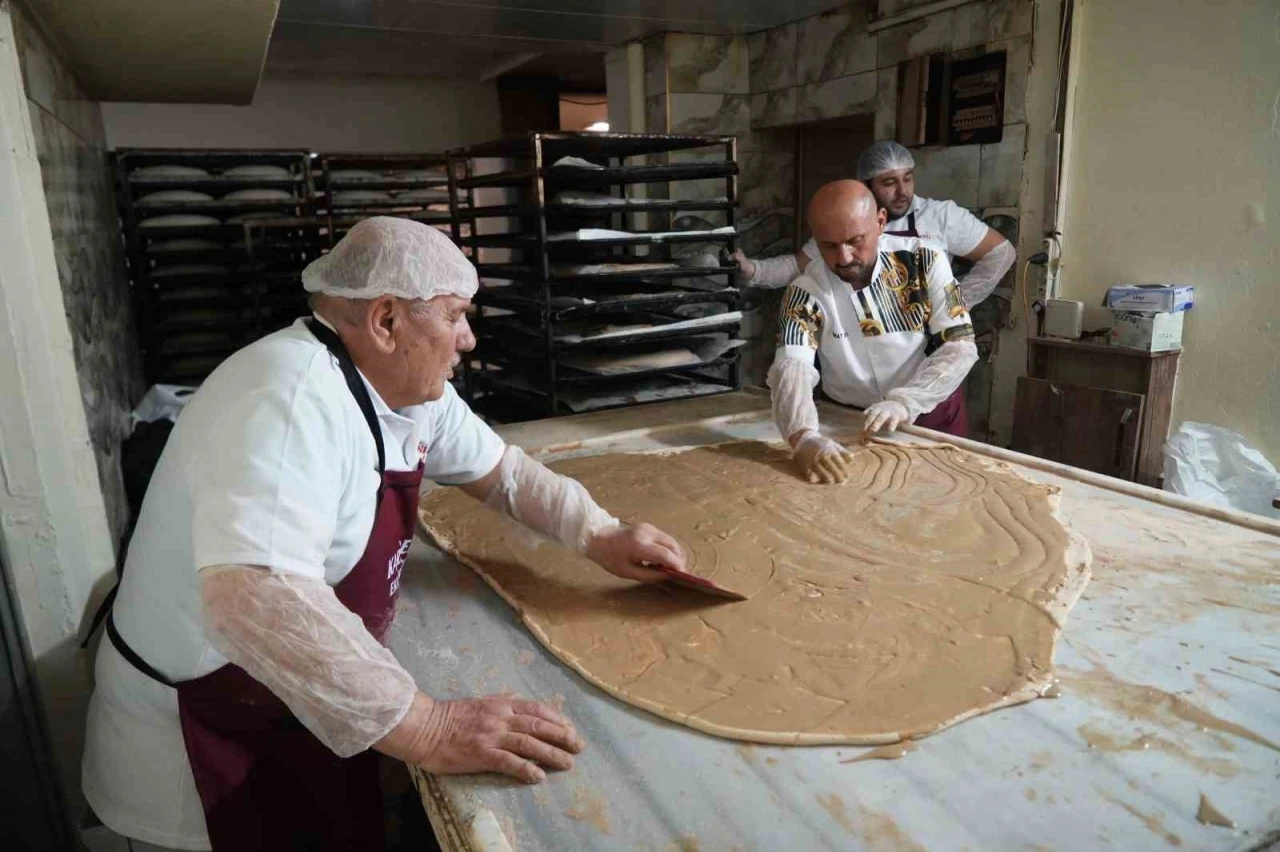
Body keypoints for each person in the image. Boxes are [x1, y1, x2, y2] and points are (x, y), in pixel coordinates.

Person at [80, 217, 689, 851]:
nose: (469, 339)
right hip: (195, 745)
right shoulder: (288, 398)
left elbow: (502, 472)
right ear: (387, 321)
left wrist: (601, 534)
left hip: (288, 705)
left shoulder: (404, 387)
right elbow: (256, 597)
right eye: (455, 316)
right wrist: (427, 728)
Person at [769, 181, 978, 484]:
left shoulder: (924, 261)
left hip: (928, 412)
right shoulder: (805, 292)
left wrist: (906, 402)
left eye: (855, 241)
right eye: (828, 245)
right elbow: (792, 366)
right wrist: (803, 437)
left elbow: (959, 345)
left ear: (880, 222)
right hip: (849, 420)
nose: (843, 258)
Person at [735, 141, 1016, 308]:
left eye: (907, 178)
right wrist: (752, 270)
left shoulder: (941, 216)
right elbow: (795, 267)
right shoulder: (846, 220)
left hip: (926, 347)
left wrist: (955, 305)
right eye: (889, 182)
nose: (903, 191)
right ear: (865, 185)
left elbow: (1001, 252)